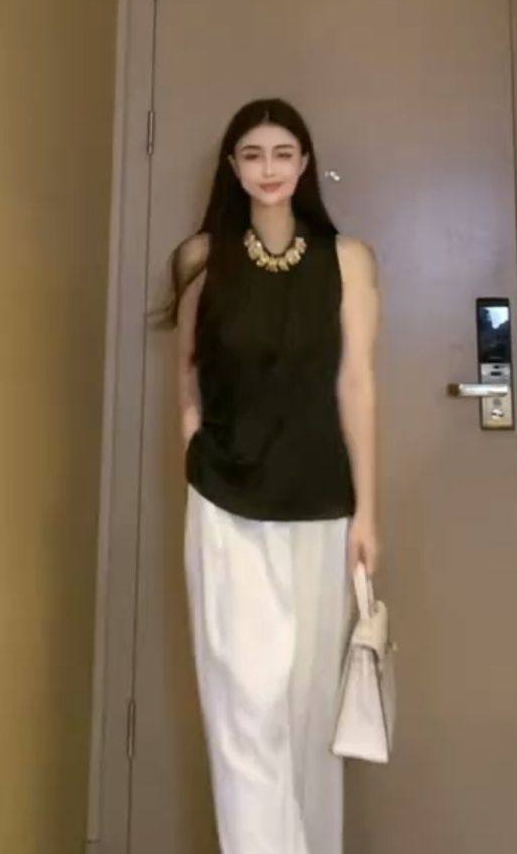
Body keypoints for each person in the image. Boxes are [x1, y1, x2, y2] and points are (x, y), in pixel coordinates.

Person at [153, 97, 381, 854]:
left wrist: (368, 513)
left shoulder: (347, 259)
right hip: (225, 501)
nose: (269, 168)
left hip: (321, 503)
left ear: (305, 163)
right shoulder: (199, 257)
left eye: (283, 153)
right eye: (252, 154)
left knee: (306, 712)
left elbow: (356, 384)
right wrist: (196, 456)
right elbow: (189, 376)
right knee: (244, 707)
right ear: (232, 167)